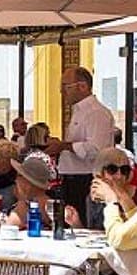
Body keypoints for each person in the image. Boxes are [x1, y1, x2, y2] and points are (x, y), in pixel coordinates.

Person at [45, 67, 115, 223]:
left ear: (82, 86)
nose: (62, 92)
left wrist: (64, 146)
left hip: (84, 179)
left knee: (80, 224)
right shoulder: (79, 111)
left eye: (66, 87)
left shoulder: (97, 112)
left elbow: (96, 149)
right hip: (71, 179)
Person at [5, 156, 81, 231]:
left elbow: (7, 232)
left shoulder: (25, 207)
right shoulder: (55, 206)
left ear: (27, 183)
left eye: (19, 176)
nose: (16, 180)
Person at [86, 146, 136, 231]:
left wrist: (113, 199)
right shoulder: (95, 197)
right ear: (100, 172)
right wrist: (76, 222)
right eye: (112, 169)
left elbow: (135, 230)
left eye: (124, 170)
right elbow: (93, 232)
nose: (119, 176)